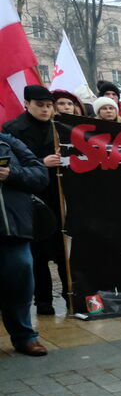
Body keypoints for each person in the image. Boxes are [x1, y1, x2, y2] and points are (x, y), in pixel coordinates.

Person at [3, 85, 65, 317]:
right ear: (27, 104)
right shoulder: (13, 129)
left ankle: (70, 295)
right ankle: (43, 301)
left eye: (49, 105)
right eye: (40, 105)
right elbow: (15, 165)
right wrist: (42, 162)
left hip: (58, 196)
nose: (46, 110)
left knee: (61, 251)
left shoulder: (59, 126)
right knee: (37, 253)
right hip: (31, 199)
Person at [0, 128, 50, 355]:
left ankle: (24, 336)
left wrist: (11, 174)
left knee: (21, 274)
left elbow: (40, 175)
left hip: (12, 228)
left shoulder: (9, 142)